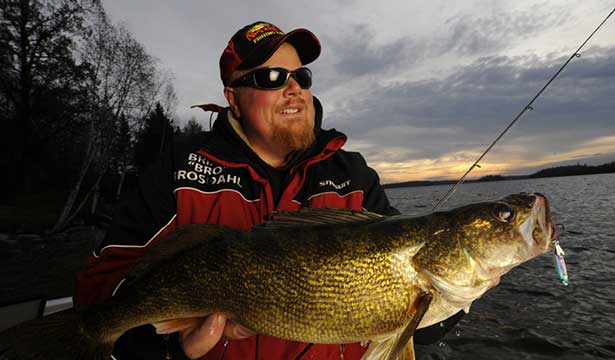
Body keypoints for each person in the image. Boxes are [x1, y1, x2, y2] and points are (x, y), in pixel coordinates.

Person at [74, 21, 459, 360]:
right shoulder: (178, 171)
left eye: (301, 77)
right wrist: (175, 349)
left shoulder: (354, 176)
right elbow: (99, 291)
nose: (294, 89)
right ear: (233, 99)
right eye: (270, 78)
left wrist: (458, 295)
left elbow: (415, 321)